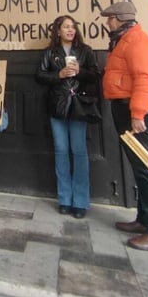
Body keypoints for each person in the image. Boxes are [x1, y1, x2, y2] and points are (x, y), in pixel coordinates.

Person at [101, 1, 148, 251]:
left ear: (121, 19)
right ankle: (144, 220)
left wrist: (138, 113)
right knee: (139, 167)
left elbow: (145, 79)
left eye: (110, 19)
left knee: (145, 169)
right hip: (124, 109)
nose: (107, 23)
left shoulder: (137, 42)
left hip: (134, 112)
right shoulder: (124, 41)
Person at [35, 15, 102, 219]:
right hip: (58, 106)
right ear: (58, 31)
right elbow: (39, 76)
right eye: (66, 27)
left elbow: (96, 74)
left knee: (79, 151)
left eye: (73, 26)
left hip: (79, 106)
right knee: (61, 151)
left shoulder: (85, 51)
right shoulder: (50, 52)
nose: (70, 30)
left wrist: (79, 72)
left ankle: (80, 201)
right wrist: (59, 75)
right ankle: (64, 198)